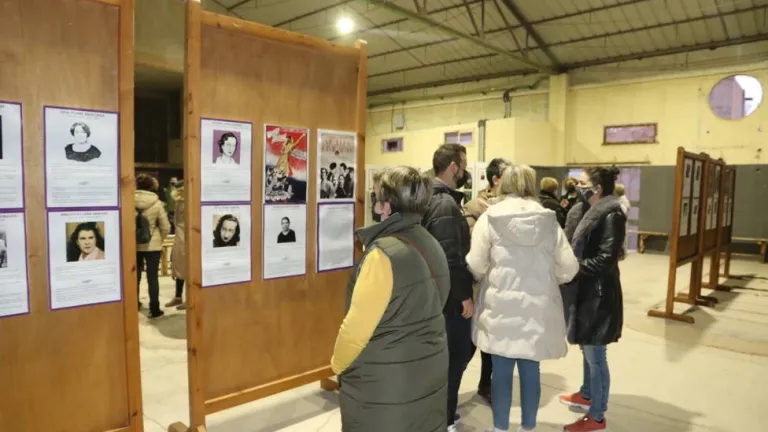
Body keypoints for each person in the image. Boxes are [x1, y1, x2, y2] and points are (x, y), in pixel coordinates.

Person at [332, 166, 450, 432]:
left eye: (376, 197)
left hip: (383, 382)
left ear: (385, 206)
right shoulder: (432, 243)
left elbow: (356, 330)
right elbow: (438, 302)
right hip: (429, 366)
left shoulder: (382, 255)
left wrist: (338, 365)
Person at [466, 164, 579, 432]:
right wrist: (551, 279)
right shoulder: (548, 221)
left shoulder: (490, 218)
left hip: (500, 307)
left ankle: (500, 428)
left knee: (501, 371)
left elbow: (476, 264)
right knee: (530, 370)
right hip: (537, 308)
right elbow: (570, 267)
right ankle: (528, 427)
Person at [559, 167, 625, 432]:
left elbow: (605, 260)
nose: (578, 186)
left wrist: (572, 267)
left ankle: (597, 416)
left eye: (583, 183)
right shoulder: (589, 210)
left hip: (599, 294)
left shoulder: (611, 215)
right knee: (586, 347)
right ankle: (587, 394)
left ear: (597, 189)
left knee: (596, 354)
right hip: (586, 290)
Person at [422, 143, 474, 431]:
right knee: (456, 356)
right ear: (454, 167)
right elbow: (450, 257)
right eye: (463, 165)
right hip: (449, 298)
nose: (465, 171)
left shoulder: (428, 198)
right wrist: (464, 295)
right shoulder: (444, 204)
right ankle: (444, 417)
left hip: (433, 293)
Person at [462, 157, 511, 405]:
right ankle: (446, 390)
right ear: (496, 179)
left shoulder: (513, 207)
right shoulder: (475, 207)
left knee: (494, 343)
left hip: (503, 286)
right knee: (468, 344)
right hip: (478, 285)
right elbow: (469, 247)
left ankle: (486, 384)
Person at [135, 173, 171, 319]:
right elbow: (166, 226)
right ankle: (154, 309)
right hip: (153, 246)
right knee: (152, 277)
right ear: (151, 187)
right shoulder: (157, 203)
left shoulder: (127, 201)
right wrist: (159, 239)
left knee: (134, 277)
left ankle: (134, 304)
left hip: (133, 246)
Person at [166, 184, 186, 310]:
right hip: (179, 237)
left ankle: (191, 298)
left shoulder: (190, 201)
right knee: (178, 266)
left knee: (188, 268)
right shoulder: (179, 202)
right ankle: (178, 296)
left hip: (187, 238)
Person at [614, 184, 630, 259]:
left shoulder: (623, 201)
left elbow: (623, 212)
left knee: (621, 239)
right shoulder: (619, 200)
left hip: (621, 224)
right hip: (620, 223)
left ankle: (622, 254)